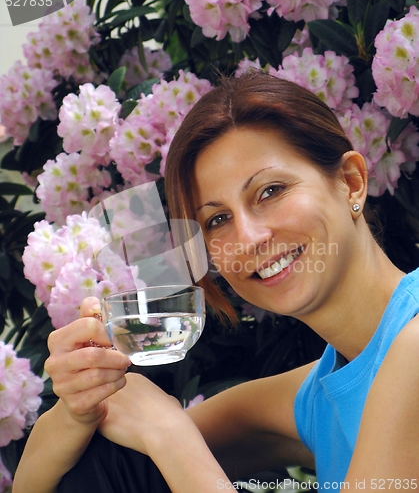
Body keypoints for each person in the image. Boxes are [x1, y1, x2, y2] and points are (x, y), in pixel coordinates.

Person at [13, 72, 419, 493]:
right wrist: (77, 408)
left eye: (270, 191)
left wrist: (171, 437)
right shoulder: (322, 394)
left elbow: (171, 445)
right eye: (217, 220)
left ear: (351, 181)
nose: (248, 238)